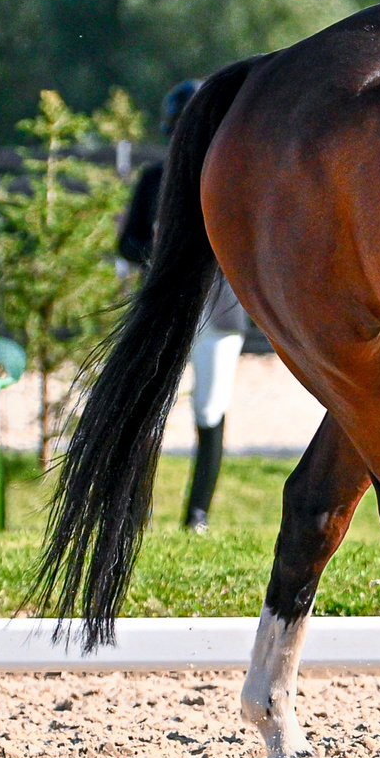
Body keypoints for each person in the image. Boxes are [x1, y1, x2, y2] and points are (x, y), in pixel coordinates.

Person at [117, 78, 246, 529]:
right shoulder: (154, 178)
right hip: (166, 307)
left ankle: (198, 514)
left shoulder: (233, 177)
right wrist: (159, 250)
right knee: (148, 406)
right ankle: (135, 509)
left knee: (210, 408)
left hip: (218, 308)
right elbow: (126, 244)